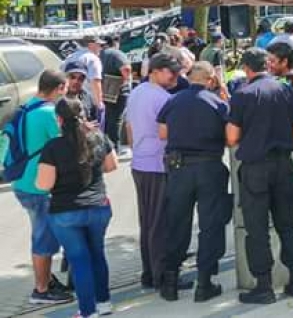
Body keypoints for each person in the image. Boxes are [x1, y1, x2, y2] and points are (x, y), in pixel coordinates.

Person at [226, 48, 293, 304]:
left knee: (257, 229)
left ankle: (264, 285)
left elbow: (231, 137)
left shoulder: (242, 95)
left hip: (255, 169)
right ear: (268, 65)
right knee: (288, 225)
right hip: (284, 164)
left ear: (247, 69)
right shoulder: (287, 90)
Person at [155, 62, 231, 302]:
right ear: (210, 79)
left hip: (179, 169)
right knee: (210, 225)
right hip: (209, 166)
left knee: (177, 223)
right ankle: (205, 282)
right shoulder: (217, 103)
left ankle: (170, 282)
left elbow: (162, 133)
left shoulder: (174, 100)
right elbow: (230, 137)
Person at [36, 97, 118, 318]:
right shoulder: (98, 137)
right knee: (97, 254)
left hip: (65, 212)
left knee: (79, 260)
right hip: (99, 207)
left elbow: (44, 185)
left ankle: (87, 311)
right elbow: (112, 166)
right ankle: (104, 303)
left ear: (59, 120)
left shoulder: (53, 147)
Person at [4, 70, 73, 305]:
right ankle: (41, 290)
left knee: (41, 234)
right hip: (40, 187)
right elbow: (65, 144)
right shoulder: (48, 114)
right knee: (43, 240)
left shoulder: (27, 107)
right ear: (59, 88)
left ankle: (46, 280)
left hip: (22, 181)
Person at [125, 53, 180, 290]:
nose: (175, 76)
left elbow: (129, 128)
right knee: (159, 222)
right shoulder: (164, 98)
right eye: (171, 72)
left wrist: (134, 150)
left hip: (140, 162)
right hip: (158, 163)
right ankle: (161, 276)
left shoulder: (136, 92)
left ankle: (149, 273)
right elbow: (165, 133)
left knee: (147, 221)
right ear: (155, 71)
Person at [100, 35, 132, 154]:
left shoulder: (100, 54)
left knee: (107, 119)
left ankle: (107, 147)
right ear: (116, 42)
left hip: (103, 89)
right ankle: (115, 148)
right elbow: (126, 69)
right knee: (116, 120)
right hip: (117, 90)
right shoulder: (116, 53)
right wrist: (124, 81)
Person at [62, 35, 105, 117]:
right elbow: (95, 81)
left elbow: (62, 75)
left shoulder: (70, 56)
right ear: (91, 45)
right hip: (85, 101)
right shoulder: (93, 58)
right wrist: (99, 104)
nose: (100, 48)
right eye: (99, 45)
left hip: (68, 99)